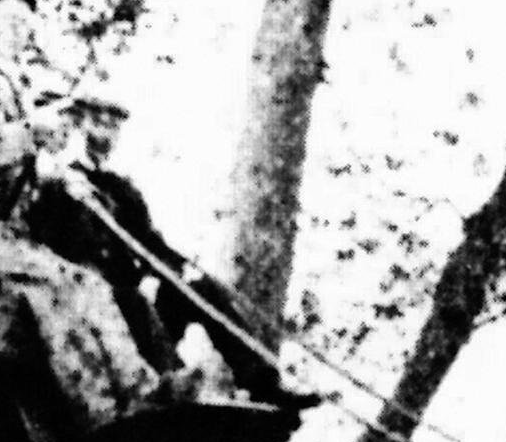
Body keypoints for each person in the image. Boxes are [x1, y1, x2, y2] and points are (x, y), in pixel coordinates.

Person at [0, 0, 201, 442]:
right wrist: (29, 135)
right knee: (58, 287)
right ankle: (100, 411)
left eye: (26, 24)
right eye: (7, 21)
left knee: (88, 283)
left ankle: (142, 389)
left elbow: (16, 168)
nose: (18, 32)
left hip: (2, 233)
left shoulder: (10, 84)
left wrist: (56, 178)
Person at [27, 86, 315, 408]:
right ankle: (170, 390)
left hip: (132, 305)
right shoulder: (54, 184)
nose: (105, 134)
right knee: (133, 301)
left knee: (202, 289)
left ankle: (262, 382)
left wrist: (180, 271)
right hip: (89, 308)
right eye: (98, 122)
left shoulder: (121, 190)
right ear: (76, 125)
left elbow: (151, 245)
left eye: (113, 126)